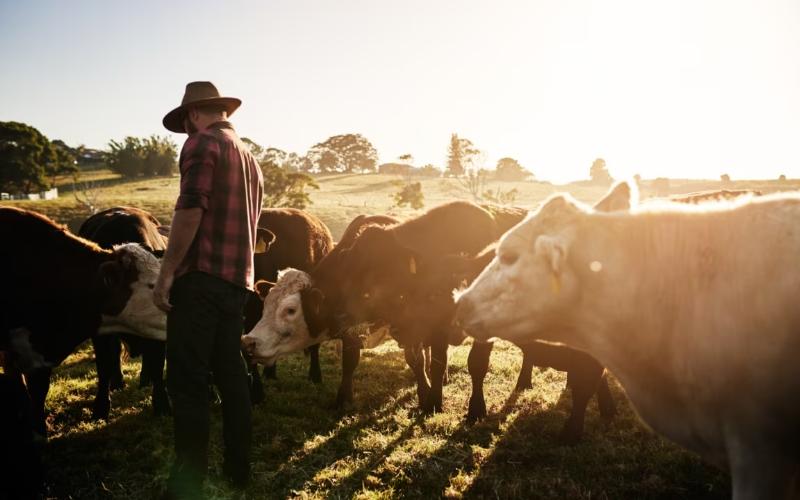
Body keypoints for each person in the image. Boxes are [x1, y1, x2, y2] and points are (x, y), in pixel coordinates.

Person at [154, 81, 264, 498]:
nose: (185, 132)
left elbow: (191, 206)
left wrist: (167, 274)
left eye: (185, 124)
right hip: (238, 281)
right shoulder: (251, 158)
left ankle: (188, 481)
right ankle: (238, 469)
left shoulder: (201, 144)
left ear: (194, 114)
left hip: (199, 278)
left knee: (186, 379)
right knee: (232, 375)